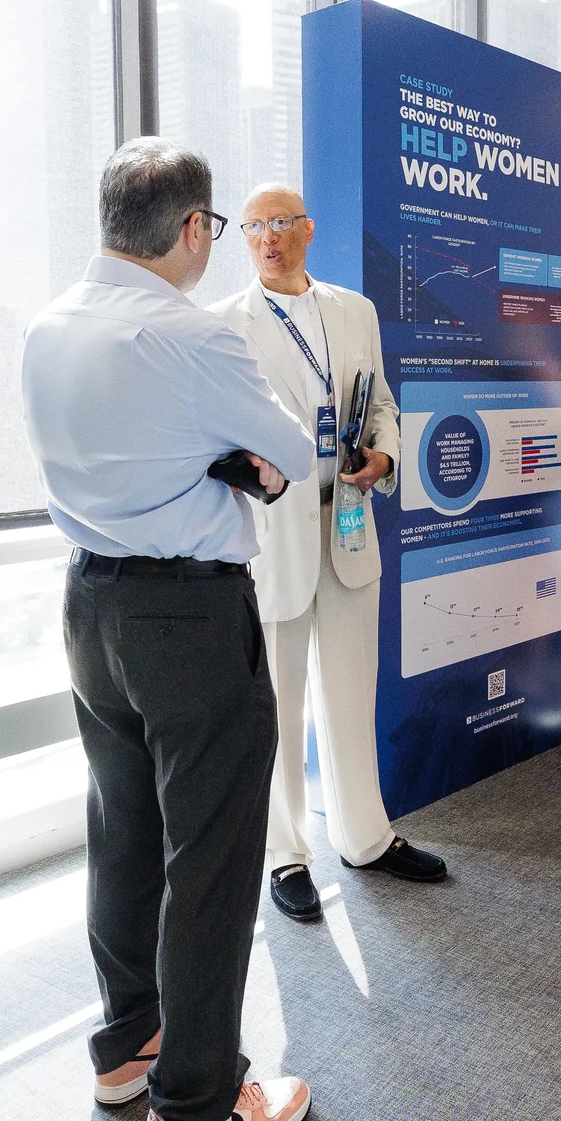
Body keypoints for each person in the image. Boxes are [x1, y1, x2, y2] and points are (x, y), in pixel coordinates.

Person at [21, 138, 316, 1121]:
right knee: (214, 854)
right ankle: (194, 1111)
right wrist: (236, 464)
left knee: (125, 829)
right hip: (187, 615)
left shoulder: (47, 325)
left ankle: (131, 1046)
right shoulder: (191, 335)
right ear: (193, 229)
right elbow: (299, 457)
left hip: (89, 603)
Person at [215, 183, 447, 927]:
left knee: (351, 691)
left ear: (308, 229)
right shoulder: (224, 323)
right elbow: (219, 431)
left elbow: (379, 403)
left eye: (280, 223)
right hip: (273, 535)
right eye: (253, 227)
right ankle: (286, 854)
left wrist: (383, 455)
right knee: (276, 704)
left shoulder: (354, 311)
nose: (267, 238)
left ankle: (366, 837)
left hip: (348, 523)